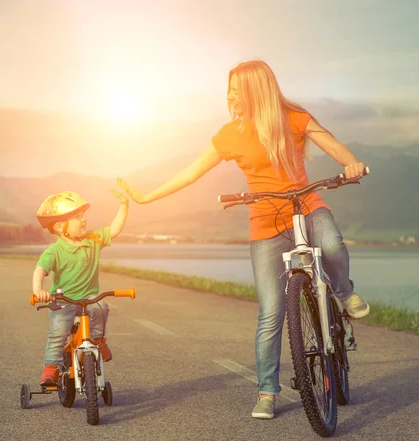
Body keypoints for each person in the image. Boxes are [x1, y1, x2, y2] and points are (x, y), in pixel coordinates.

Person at [116, 60, 370, 419]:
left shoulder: (293, 116)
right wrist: (145, 198)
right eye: (229, 88)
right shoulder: (230, 134)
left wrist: (353, 164)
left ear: (256, 89)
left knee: (331, 246)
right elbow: (191, 173)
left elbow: (333, 145)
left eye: (237, 88)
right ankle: (267, 391)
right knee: (271, 312)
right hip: (266, 221)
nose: (230, 95)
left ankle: (342, 293)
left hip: (307, 204)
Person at [32, 189, 129, 385]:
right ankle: (51, 367)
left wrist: (124, 206)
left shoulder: (93, 240)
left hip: (90, 298)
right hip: (63, 301)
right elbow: (40, 270)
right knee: (58, 332)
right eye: (77, 217)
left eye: (83, 215)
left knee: (102, 308)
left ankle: (98, 341)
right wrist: (38, 290)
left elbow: (115, 229)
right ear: (60, 226)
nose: (83, 220)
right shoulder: (55, 251)